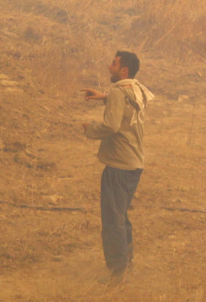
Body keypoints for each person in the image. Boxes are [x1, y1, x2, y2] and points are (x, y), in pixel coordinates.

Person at [82, 50, 152, 285]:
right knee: (121, 216)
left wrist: (90, 128)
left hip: (118, 166)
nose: (109, 66)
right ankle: (126, 260)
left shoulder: (118, 93)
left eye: (113, 64)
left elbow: (111, 126)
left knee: (113, 219)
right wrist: (104, 97)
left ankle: (117, 271)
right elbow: (125, 102)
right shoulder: (137, 88)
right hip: (134, 164)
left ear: (124, 70)